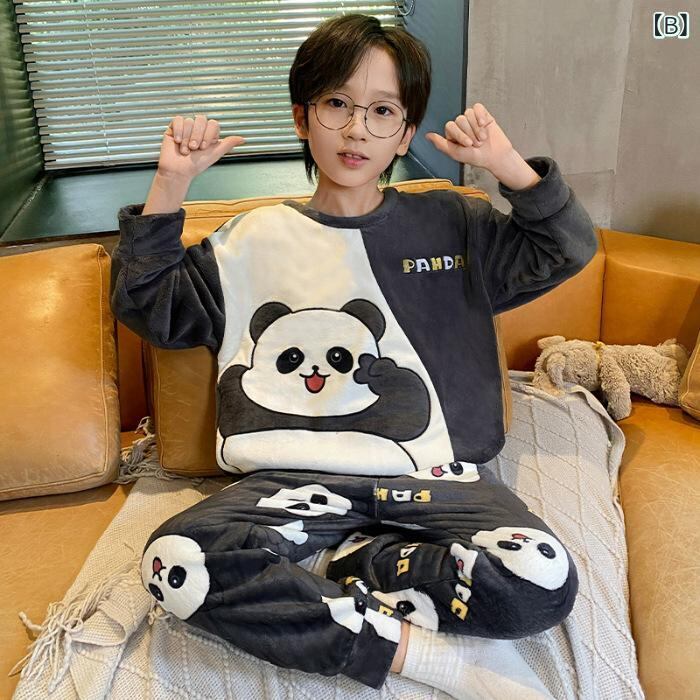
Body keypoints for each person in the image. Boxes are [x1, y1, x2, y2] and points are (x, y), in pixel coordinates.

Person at [110, 13, 597, 698]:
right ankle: (426, 659)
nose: (357, 130)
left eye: (382, 111)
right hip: (289, 479)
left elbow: (565, 247)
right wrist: (169, 185)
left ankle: (356, 565)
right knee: (175, 561)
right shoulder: (249, 240)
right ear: (301, 117)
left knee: (539, 582)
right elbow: (148, 306)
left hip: (436, 477)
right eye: (337, 103)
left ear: (405, 132)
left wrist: (507, 167)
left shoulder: (453, 223)